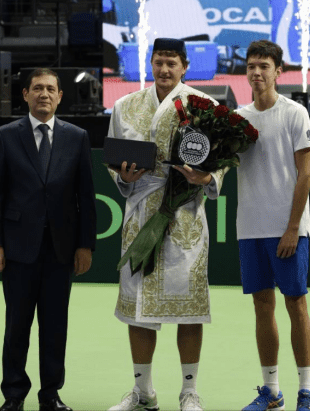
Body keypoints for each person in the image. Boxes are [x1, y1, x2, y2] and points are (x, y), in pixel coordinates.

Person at [106, 38, 227, 411]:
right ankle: (143, 392)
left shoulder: (204, 107)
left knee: (188, 308)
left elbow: (221, 162)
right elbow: (114, 161)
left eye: (171, 63)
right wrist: (125, 176)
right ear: (150, 62)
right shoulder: (125, 106)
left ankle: (189, 390)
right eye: (158, 62)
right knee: (138, 307)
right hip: (141, 212)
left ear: (185, 66)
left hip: (184, 218)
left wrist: (206, 179)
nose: (164, 69)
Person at [0, 68, 97, 411]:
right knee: (16, 326)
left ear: (60, 96)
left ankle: (51, 394)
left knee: (54, 327)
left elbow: (86, 197)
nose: (43, 94)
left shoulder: (77, 137)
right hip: (17, 249)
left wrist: (85, 245)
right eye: (37, 88)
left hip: (61, 250)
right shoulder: (5, 136)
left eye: (50, 89)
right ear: (25, 95)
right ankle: (14, 395)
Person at [236, 39, 310, 411]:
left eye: (264, 66)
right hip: (250, 228)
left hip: (289, 230)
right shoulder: (236, 118)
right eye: (251, 66)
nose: (256, 72)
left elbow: (306, 175)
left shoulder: (295, 113)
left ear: (277, 71)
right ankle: (272, 391)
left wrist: (291, 227)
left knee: (296, 303)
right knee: (262, 306)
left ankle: (306, 390)